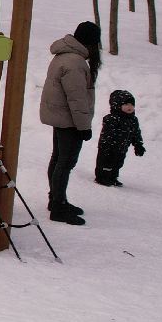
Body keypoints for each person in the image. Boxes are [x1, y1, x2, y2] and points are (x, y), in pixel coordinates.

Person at [39, 20, 100, 225]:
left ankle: (57, 200)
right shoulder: (75, 62)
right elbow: (77, 98)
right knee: (65, 162)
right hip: (70, 120)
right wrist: (84, 127)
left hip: (62, 117)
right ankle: (58, 206)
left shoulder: (64, 55)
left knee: (58, 159)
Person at [95, 90, 146, 187]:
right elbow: (107, 133)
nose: (130, 107)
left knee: (118, 163)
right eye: (126, 104)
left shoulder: (133, 120)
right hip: (109, 148)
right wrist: (106, 145)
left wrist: (138, 145)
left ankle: (113, 177)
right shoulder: (112, 119)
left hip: (122, 148)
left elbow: (136, 133)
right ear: (117, 105)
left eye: (132, 104)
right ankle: (102, 177)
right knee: (106, 163)